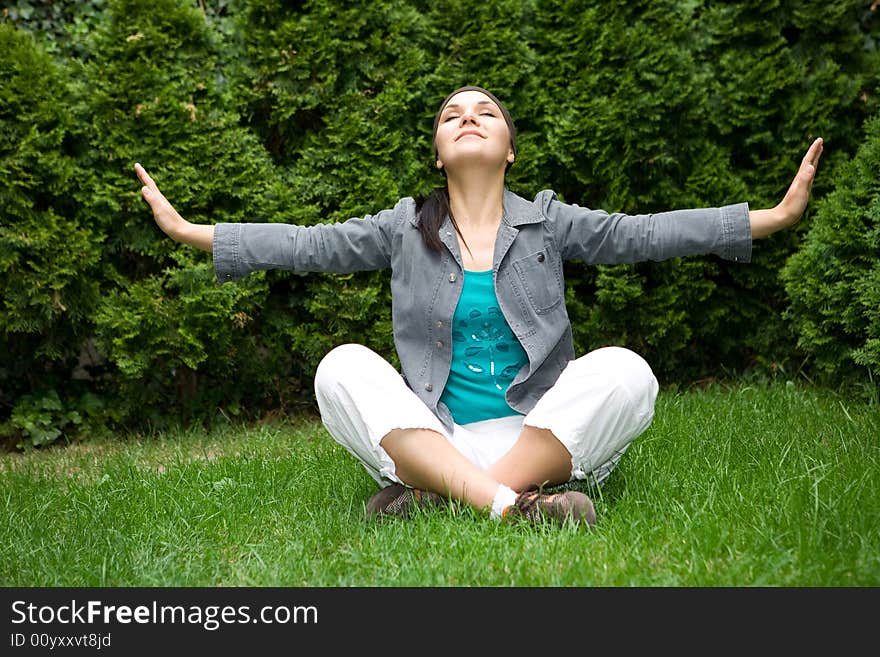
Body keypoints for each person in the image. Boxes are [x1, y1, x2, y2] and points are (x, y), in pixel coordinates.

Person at [135, 85, 823, 528]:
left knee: (628, 372)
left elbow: (644, 233)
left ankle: (451, 496)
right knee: (340, 367)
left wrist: (769, 216)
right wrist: (194, 231)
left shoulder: (549, 220)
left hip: (541, 436)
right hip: (435, 436)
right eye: (450, 115)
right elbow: (306, 244)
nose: (467, 119)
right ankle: (512, 507)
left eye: (485, 112)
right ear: (438, 152)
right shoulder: (403, 226)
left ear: (510, 149)